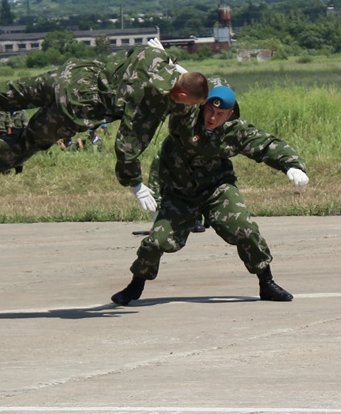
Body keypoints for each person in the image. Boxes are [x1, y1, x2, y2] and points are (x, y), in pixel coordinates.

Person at [0, 42, 208, 207]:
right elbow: (127, 145)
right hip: (75, 106)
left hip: (70, 76)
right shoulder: (149, 102)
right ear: (181, 95)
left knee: (9, 93)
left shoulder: (155, 57)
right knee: (28, 142)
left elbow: (149, 51)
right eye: (190, 104)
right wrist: (135, 184)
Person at [111, 84, 309, 306]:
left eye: (220, 114)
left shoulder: (235, 130)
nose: (212, 118)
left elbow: (265, 144)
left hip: (217, 190)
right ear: (203, 106)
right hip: (180, 193)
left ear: (230, 114)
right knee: (156, 242)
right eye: (209, 111)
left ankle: (267, 282)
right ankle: (135, 285)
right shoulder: (185, 120)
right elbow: (176, 96)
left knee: (245, 229)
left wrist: (291, 166)